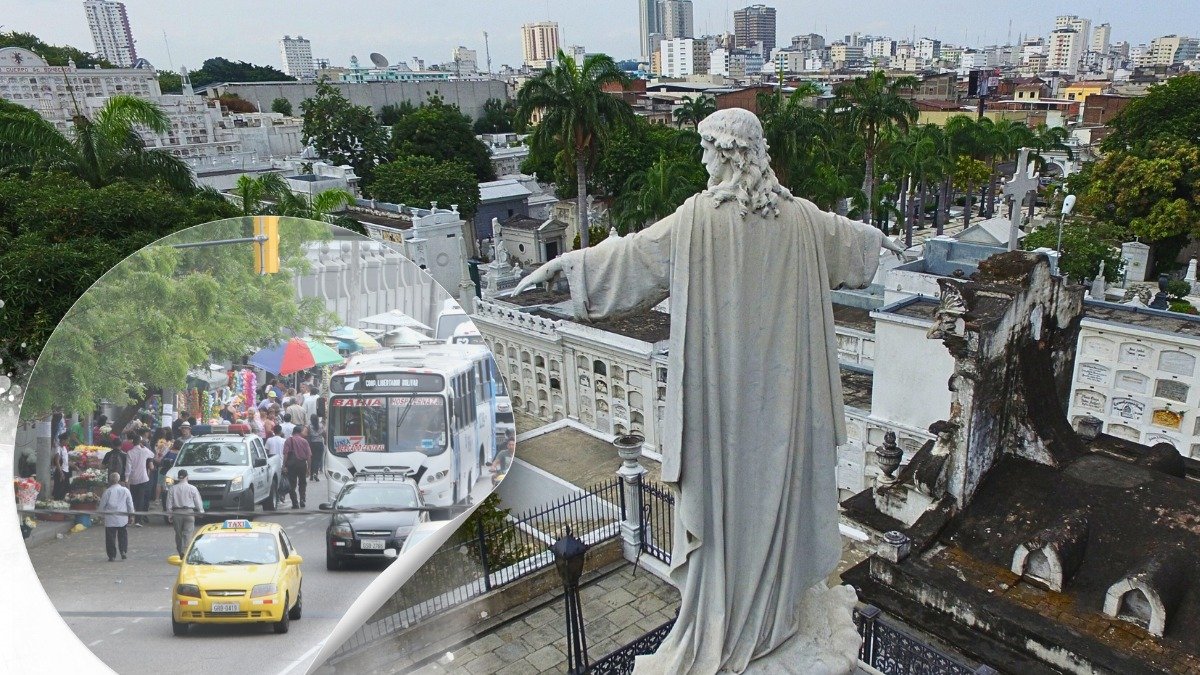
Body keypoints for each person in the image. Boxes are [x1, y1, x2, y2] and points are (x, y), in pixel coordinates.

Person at [515, 109, 900, 673]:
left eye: (705, 149)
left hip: (722, 415)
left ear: (728, 153)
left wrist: (569, 269)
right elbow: (857, 245)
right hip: (783, 413)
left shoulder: (698, 219)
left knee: (724, 520)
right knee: (773, 508)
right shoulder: (803, 220)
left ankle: (733, 625)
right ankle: (772, 619)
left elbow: (633, 259)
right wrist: (880, 242)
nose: (701, 160)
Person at [165, 470, 204, 557]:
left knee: (178, 534)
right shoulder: (192, 488)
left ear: (179, 477)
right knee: (188, 533)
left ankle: (180, 551)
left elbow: (169, 503)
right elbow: (198, 501)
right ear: (187, 477)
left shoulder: (173, 488)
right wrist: (201, 511)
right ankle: (186, 551)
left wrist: (169, 514)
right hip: (189, 512)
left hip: (177, 512)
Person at [97, 472, 135, 562]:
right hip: (122, 518)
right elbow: (130, 504)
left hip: (110, 519)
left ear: (110, 480)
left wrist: (100, 516)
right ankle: (123, 551)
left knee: (110, 538)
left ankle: (112, 555)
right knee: (123, 535)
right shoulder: (125, 490)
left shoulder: (107, 491)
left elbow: (102, 505)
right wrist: (132, 515)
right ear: (118, 480)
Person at [125, 432, 156, 526]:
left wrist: (126, 478)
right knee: (141, 499)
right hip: (143, 478)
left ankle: (132, 518)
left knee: (133, 498)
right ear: (140, 442)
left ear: (132, 443)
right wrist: (144, 447)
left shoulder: (130, 453)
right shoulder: (144, 451)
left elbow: (128, 467)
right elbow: (152, 455)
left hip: (133, 479)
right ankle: (138, 520)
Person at [282, 426, 312, 509]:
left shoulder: (288, 440)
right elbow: (309, 456)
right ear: (300, 432)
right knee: (302, 483)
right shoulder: (304, 441)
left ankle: (295, 503)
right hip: (302, 464)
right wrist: (309, 469)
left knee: (292, 484)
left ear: (293, 432)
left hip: (291, 465)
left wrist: (284, 465)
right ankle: (302, 499)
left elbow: (285, 454)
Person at [52, 432, 71, 500]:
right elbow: (57, 461)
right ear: (63, 440)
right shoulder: (58, 448)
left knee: (65, 489)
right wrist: (61, 473)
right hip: (61, 471)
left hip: (66, 470)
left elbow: (66, 461)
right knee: (59, 490)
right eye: (67, 440)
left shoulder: (64, 448)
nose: (68, 442)